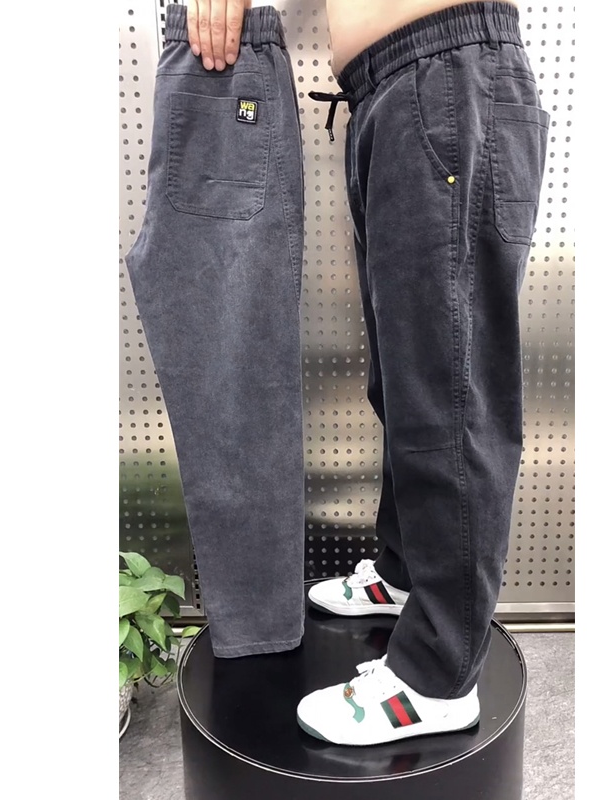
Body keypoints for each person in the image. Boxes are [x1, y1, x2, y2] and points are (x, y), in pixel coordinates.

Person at [182, 0, 548, 746]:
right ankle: (405, 573)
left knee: (448, 399)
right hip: (396, 88)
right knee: (407, 384)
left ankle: (438, 679)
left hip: (445, 69)